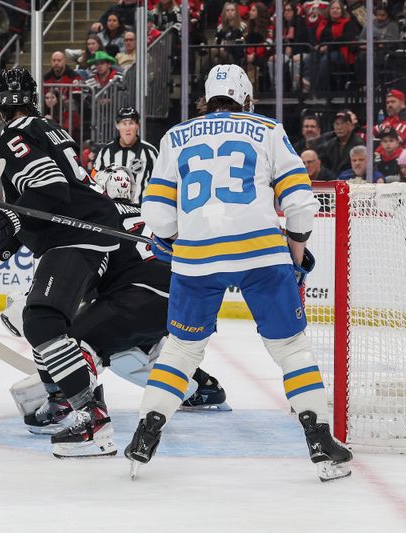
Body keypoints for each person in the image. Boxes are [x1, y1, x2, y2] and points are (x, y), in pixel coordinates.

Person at [125, 64, 352, 481]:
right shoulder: (267, 129)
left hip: (196, 261)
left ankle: (145, 433)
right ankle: (319, 439)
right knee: (290, 349)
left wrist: (176, 239)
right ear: (247, 99)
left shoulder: (174, 137)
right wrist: (296, 253)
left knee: (180, 350)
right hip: (261, 255)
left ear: (206, 99)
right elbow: (301, 202)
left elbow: (157, 215)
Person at [3, 165, 230, 435]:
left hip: (137, 298)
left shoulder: (96, 217)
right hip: (184, 299)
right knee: (132, 348)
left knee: (69, 342)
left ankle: (65, 406)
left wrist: (36, 305)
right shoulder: (152, 214)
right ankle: (203, 387)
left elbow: (83, 280)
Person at [0, 67, 122, 458]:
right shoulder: (49, 127)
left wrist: (10, 218)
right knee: (47, 321)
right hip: (93, 235)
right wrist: (8, 235)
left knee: (39, 320)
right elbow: (47, 201)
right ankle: (61, 398)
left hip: (79, 236)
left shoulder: (15, 132)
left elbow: (50, 188)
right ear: (34, 96)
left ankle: (91, 419)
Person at [93, 107, 158, 204]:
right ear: (117, 125)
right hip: (113, 212)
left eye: (131, 123)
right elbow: (95, 180)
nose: (127, 128)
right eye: (124, 123)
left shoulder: (150, 152)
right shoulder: (105, 152)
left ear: (137, 126)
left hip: (141, 213)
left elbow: (160, 183)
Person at [319, 109, 362, 174]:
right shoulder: (330, 145)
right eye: (337, 124)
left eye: (343, 123)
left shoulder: (358, 144)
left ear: (351, 126)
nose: (339, 127)